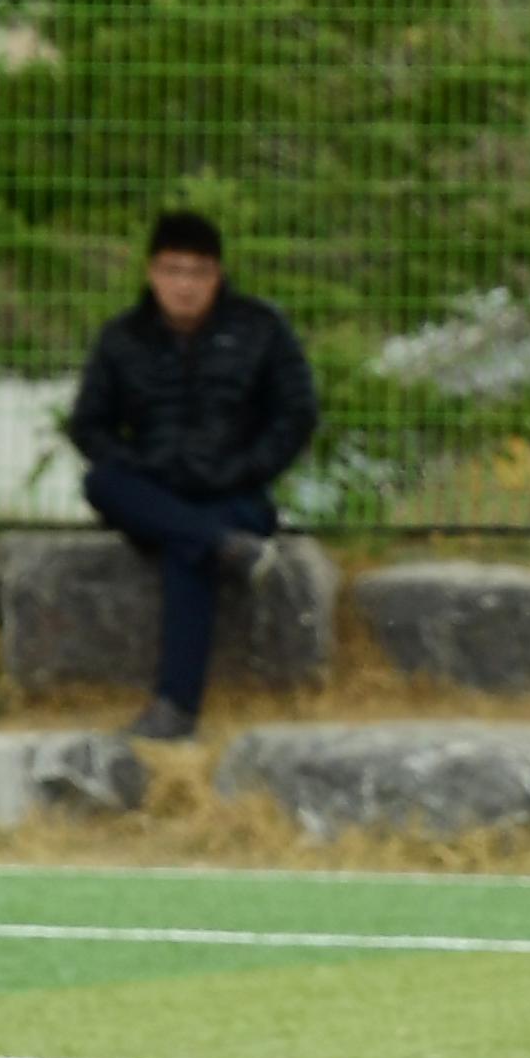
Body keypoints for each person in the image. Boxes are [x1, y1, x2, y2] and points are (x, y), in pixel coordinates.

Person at [65, 210, 318, 742]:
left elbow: (295, 415)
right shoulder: (122, 338)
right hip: (154, 489)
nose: (184, 285)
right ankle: (223, 546)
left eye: (197, 272)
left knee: (187, 547)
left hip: (234, 494)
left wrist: (244, 469)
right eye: (173, 270)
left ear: (217, 275)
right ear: (152, 273)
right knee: (103, 482)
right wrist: (140, 466)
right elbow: (89, 425)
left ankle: (176, 709)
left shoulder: (260, 328)